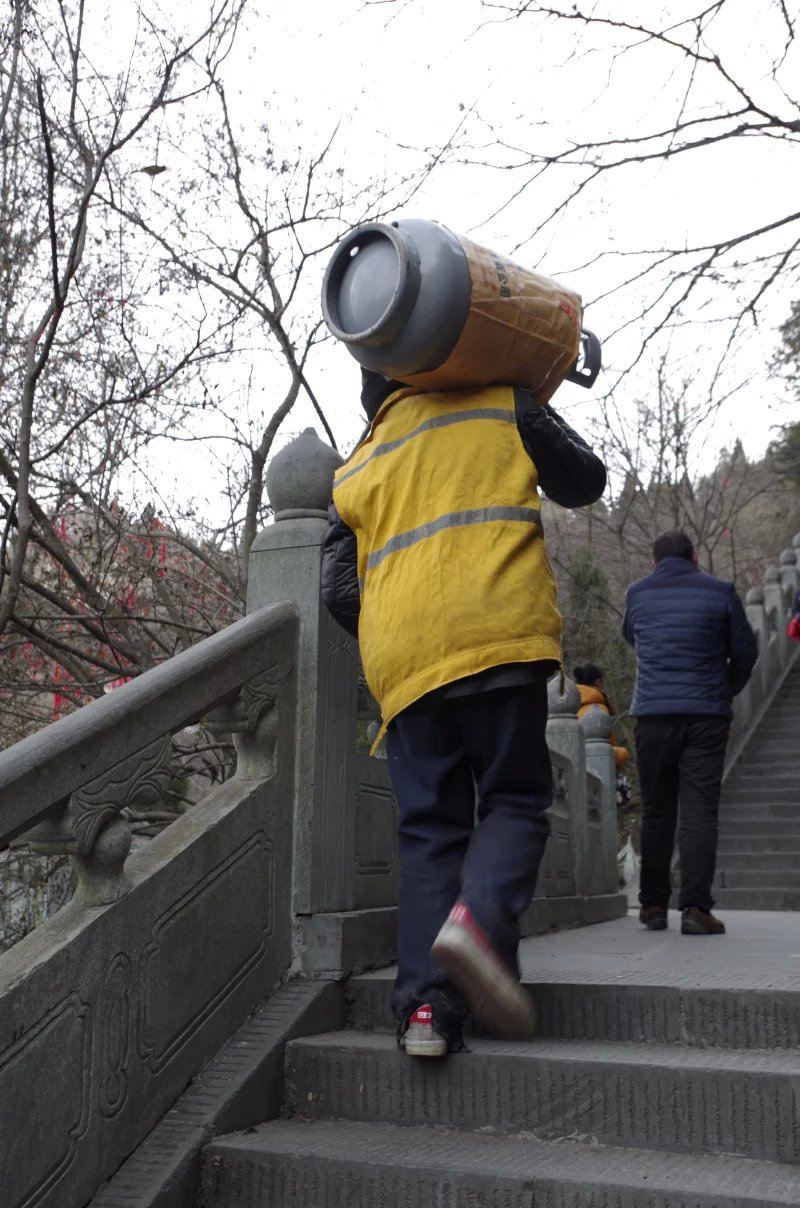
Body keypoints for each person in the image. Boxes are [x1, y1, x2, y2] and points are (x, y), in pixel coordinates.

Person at [322, 368, 606, 1057]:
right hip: (497, 636)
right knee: (513, 798)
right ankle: (476, 926)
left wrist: (404, 615)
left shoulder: (361, 458)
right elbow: (585, 480)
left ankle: (427, 1012)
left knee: (429, 829)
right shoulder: (502, 406)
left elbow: (336, 590)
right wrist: (530, 396)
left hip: (406, 661)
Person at [622, 530, 758, 937]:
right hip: (705, 716)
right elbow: (746, 651)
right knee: (699, 812)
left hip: (653, 716)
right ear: (695, 556)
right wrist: (723, 689)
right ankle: (696, 909)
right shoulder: (720, 591)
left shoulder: (637, 594)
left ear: (653, 562)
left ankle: (652, 905)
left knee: (659, 811)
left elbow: (633, 636)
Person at [573, 662, 629, 768]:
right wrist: (622, 754)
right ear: (598, 682)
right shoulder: (598, 710)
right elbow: (606, 749)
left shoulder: (572, 706)